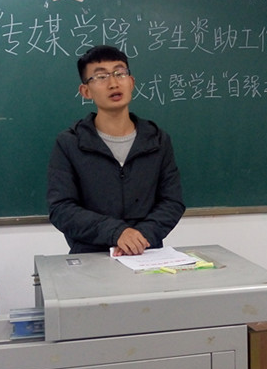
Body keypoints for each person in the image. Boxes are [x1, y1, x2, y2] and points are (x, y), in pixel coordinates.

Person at [47, 45, 185, 255]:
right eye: (100, 77)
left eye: (120, 73)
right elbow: (61, 209)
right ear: (85, 91)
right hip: (90, 258)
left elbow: (172, 202)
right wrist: (117, 232)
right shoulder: (70, 143)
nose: (113, 83)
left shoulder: (157, 140)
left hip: (146, 256)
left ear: (131, 82)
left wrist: (139, 237)